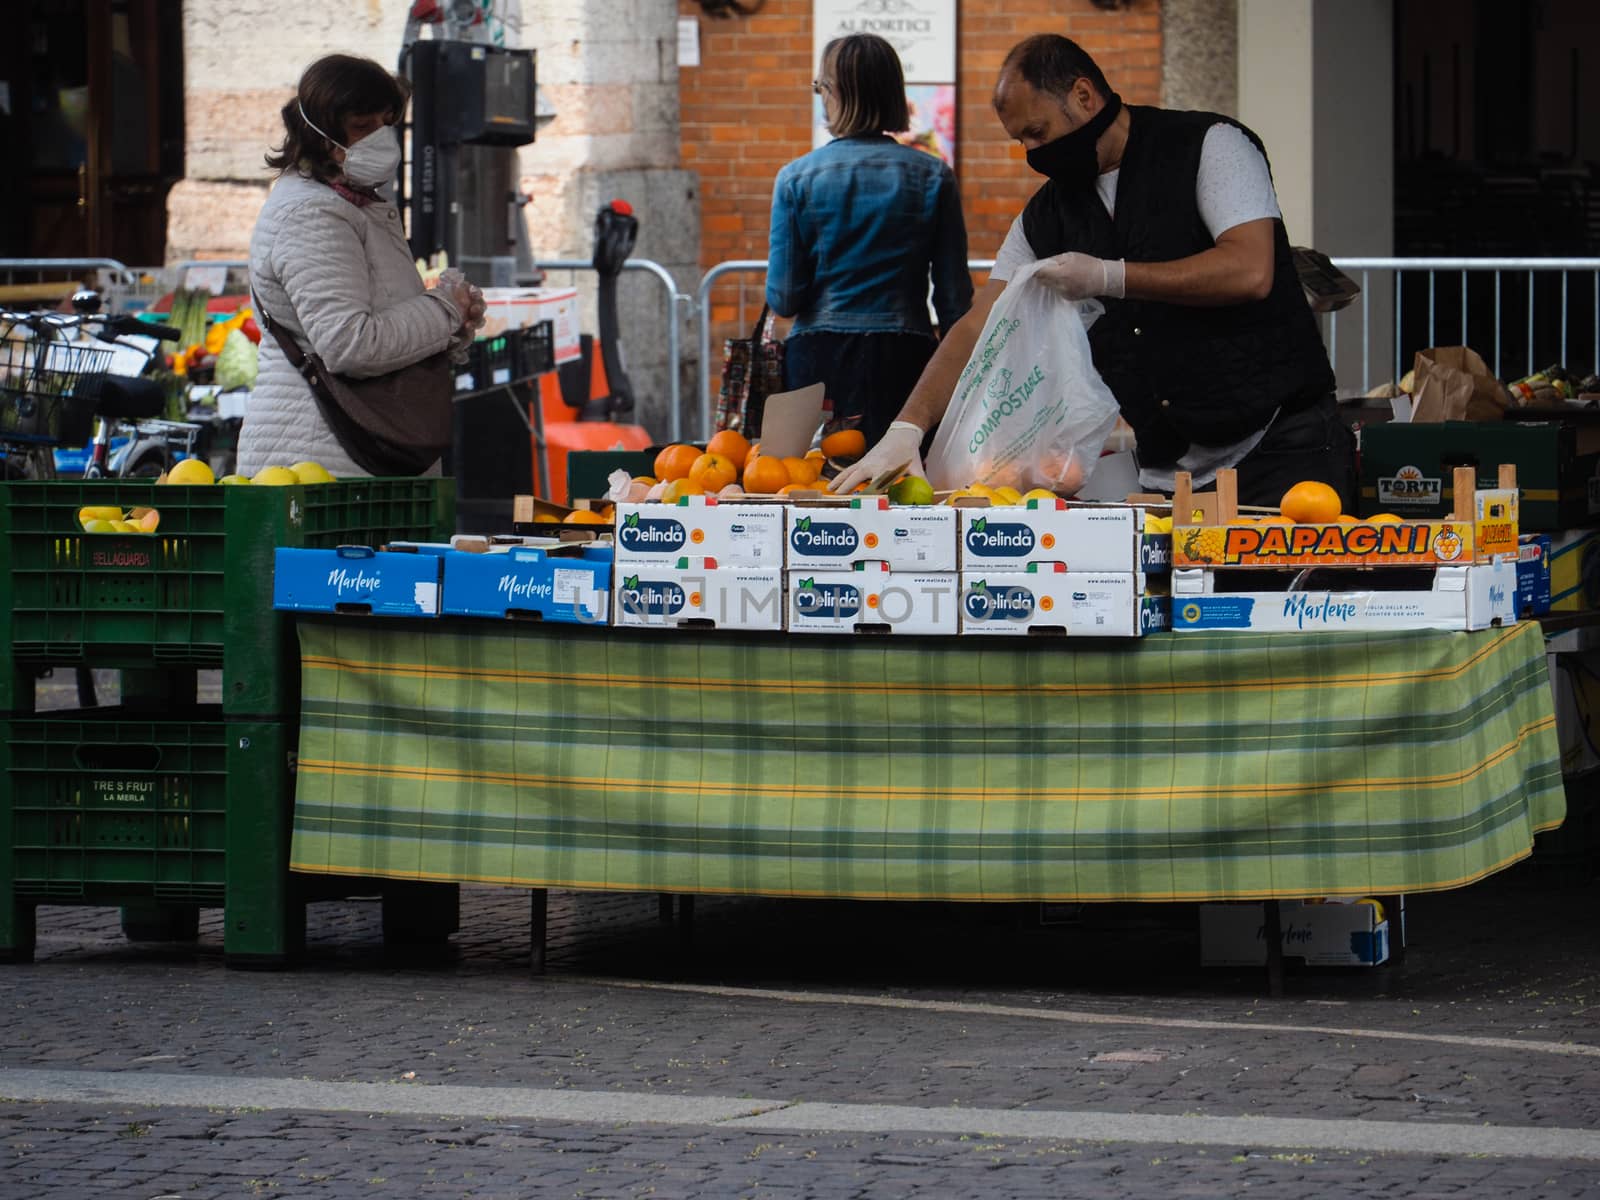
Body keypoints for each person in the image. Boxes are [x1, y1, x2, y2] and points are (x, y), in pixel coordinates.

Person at [832, 34, 1351, 509]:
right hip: (1169, 472)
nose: (1033, 153)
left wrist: (1110, 276)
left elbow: (1249, 269)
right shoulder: (1046, 215)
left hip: (1282, 446)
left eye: (1038, 132)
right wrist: (907, 426)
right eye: (1021, 142)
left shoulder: (1210, 145)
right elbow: (978, 324)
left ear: (1083, 96)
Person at [241, 53, 484, 478]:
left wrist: (453, 323)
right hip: (324, 462)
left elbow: (384, 323)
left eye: (386, 123)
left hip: (362, 452)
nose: (380, 138)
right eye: (363, 126)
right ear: (321, 136)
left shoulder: (357, 206)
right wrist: (444, 309)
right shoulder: (311, 215)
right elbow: (349, 343)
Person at [766, 33, 972, 448]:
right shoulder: (933, 176)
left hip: (817, 359)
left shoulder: (796, 178)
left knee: (812, 484)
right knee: (902, 484)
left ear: (833, 93)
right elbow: (953, 301)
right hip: (905, 358)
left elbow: (785, 298)